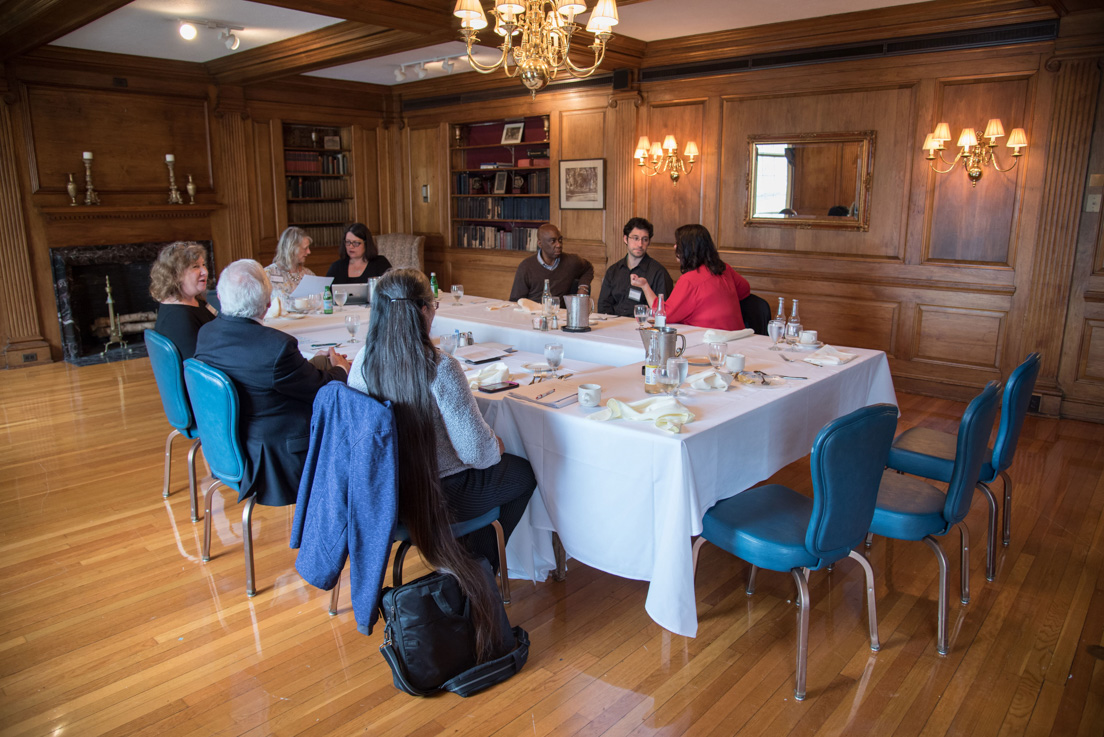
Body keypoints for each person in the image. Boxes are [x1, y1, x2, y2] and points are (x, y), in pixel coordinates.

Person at [348, 268, 534, 660]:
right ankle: (479, 569)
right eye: (432, 304)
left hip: (388, 500)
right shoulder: (440, 367)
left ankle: (466, 566)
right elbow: (477, 453)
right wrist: (496, 443)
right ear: (422, 312)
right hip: (442, 496)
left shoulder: (363, 361)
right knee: (522, 474)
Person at [194, 259, 350, 507]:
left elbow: (263, 375)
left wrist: (310, 366)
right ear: (267, 305)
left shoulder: (207, 334)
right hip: (279, 459)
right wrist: (341, 369)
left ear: (221, 297)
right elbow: (322, 391)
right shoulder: (276, 346)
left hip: (229, 447)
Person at [635, 224, 751, 330]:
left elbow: (664, 315)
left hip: (709, 341)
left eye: (678, 244)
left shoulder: (690, 280)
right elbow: (745, 290)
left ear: (688, 249)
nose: (674, 246)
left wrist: (645, 286)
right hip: (738, 337)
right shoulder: (724, 269)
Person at [149, 241, 215, 360]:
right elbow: (197, 367)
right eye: (196, 266)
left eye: (203, 264)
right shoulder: (178, 318)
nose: (205, 271)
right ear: (176, 274)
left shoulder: (193, 301)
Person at [596, 217, 673, 317]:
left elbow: (663, 311)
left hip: (643, 327)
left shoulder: (659, 273)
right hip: (614, 326)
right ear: (625, 239)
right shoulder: (613, 270)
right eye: (635, 238)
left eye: (645, 239)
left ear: (649, 242)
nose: (640, 244)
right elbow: (603, 305)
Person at [508, 223, 593, 304]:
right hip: (533, 315)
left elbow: (588, 268)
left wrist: (583, 288)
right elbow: (516, 301)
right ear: (540, 244)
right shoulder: (526, 267)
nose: (559, 245)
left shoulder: (571, 261)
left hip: (560, 315)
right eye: (553, 241)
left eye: (560, 240)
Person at [325, 223, 391, 284]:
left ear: (366, 244)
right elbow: (325, 292)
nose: (351, 246)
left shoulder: (380, 263)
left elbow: (392, 289)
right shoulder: (336, 267)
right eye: (348, 242)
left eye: (356, 243)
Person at [265, 226, 315, 299]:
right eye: (305, 248)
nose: (309, 252)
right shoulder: (268, 274)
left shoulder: (308, 274)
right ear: (291, 249)